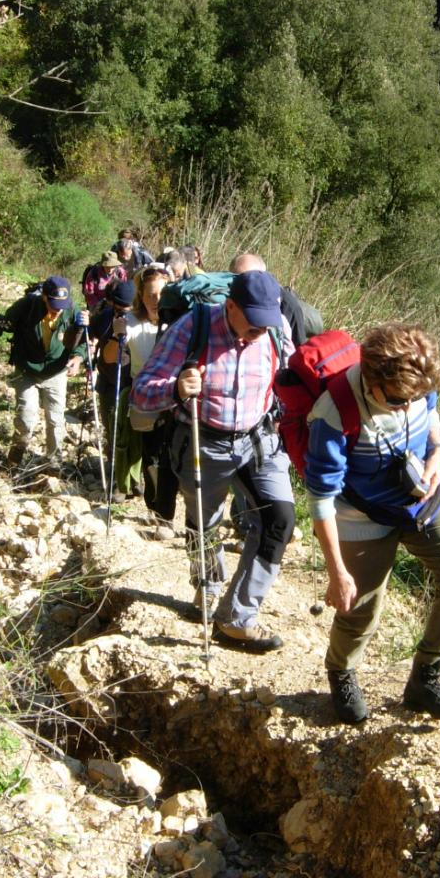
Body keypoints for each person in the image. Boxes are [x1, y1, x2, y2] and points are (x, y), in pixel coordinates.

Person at [304, 323, 440, 724]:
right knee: (359, 607)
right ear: (372, 381)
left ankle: (426, 679)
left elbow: (431, 417)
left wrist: (437, 452)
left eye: (414, 398)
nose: (408, 406)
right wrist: (337, 573)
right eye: (399, 401)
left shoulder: (417, 382)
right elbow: (320, 500)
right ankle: (342, 672)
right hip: (360, 514)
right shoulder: (334, 414)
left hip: (421, 499)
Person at [133, 270, 294, 653]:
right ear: (231, 306)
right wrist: (175, 388)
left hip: (259, 440)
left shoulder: (274, 328)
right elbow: (142, 392)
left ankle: (237, 617)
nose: (260, 330)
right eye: (253, 321)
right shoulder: (194, 326)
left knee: (280, 520)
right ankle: (206, 591)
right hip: (203, 442)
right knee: (204, 525)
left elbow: (289, 376)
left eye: (266, 322)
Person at [0, 276, 88, 473]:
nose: (58, 309)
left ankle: (54, 463)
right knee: (26, 418)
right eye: (53, 304)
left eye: (61, 304)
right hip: (27, 370)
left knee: (55, 419)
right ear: (44, 297)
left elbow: (84, 340)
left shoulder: (71, 311)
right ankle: (15, 459)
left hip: (56, 372)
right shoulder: (27, 306)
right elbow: (4, 323)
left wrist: (78, 358)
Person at [124, 265, 176, 519]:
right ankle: (159, 511)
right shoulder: (130, 322)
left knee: (175, 456)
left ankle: (172, 508)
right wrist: (115, 336)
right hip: (148, 398)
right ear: (140, 296)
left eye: (161, 295)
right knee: (153, 456)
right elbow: (111, 359)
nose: (156, 301)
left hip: (178, 399)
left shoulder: (181, 321)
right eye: (150, 295)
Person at [88, 279, 140, 499]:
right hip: (110, 384)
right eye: (119, 309)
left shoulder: (144, 321)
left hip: (137, 384)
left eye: (128, 310)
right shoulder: (104, 318)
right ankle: (117, 480)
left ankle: (136, 479)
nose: (123, 314)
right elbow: (87, 338)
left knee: (137, 433)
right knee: (114, 430)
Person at [230, 251, 324, 346]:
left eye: (252, 278)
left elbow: (297, 348)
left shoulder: (289, 306)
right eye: (237, 278)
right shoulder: (222, 297)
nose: (244, 285)